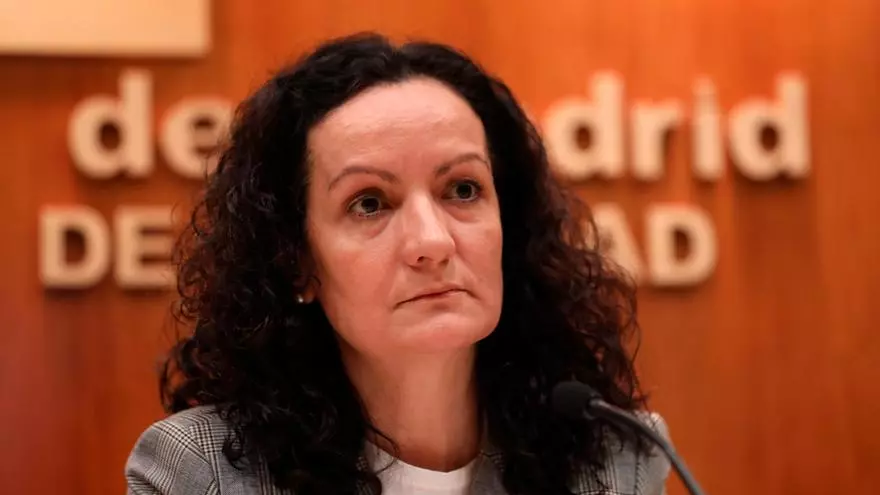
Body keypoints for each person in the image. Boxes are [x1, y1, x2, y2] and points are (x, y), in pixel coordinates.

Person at [125, 32, 671, 495]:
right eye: (369, 203)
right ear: (296, 263)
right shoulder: (204, 473)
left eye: (462, 189)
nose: (432, 241)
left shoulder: (615, 461)